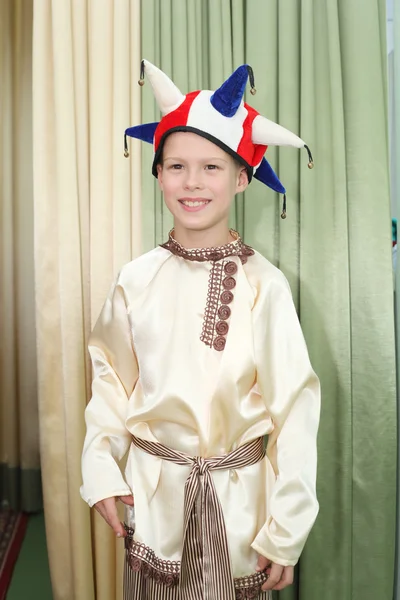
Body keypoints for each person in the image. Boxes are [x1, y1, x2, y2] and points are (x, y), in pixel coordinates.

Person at [80, 60, 321, 600]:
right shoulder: (134, 281)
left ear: (241, 177)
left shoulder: (266, 286)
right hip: (154, 504)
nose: (192, 183)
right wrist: (100, 469)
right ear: (158, 173)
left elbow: (296, 410)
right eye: (176, 166)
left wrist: (286, 528)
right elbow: (110, 383)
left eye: (212, 167)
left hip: (241, 517)